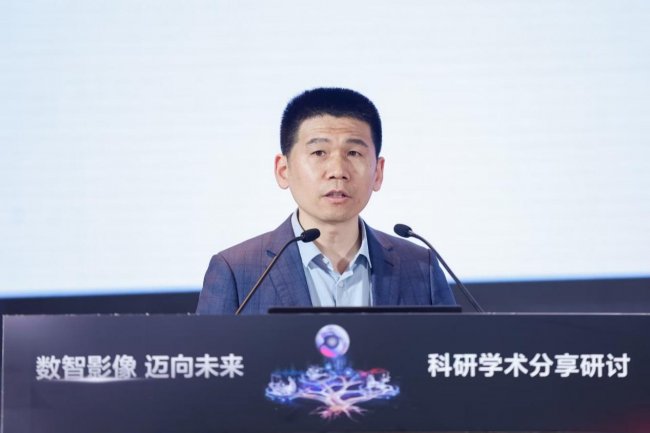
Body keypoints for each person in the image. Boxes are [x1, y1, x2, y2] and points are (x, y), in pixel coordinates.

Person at [197, 87, 455, 314]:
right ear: (283, 170)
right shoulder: (237, 271)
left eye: (354, 153)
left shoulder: (421, 267)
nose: (338, 171)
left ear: (377, 172)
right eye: (319, 152)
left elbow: (447, 353)